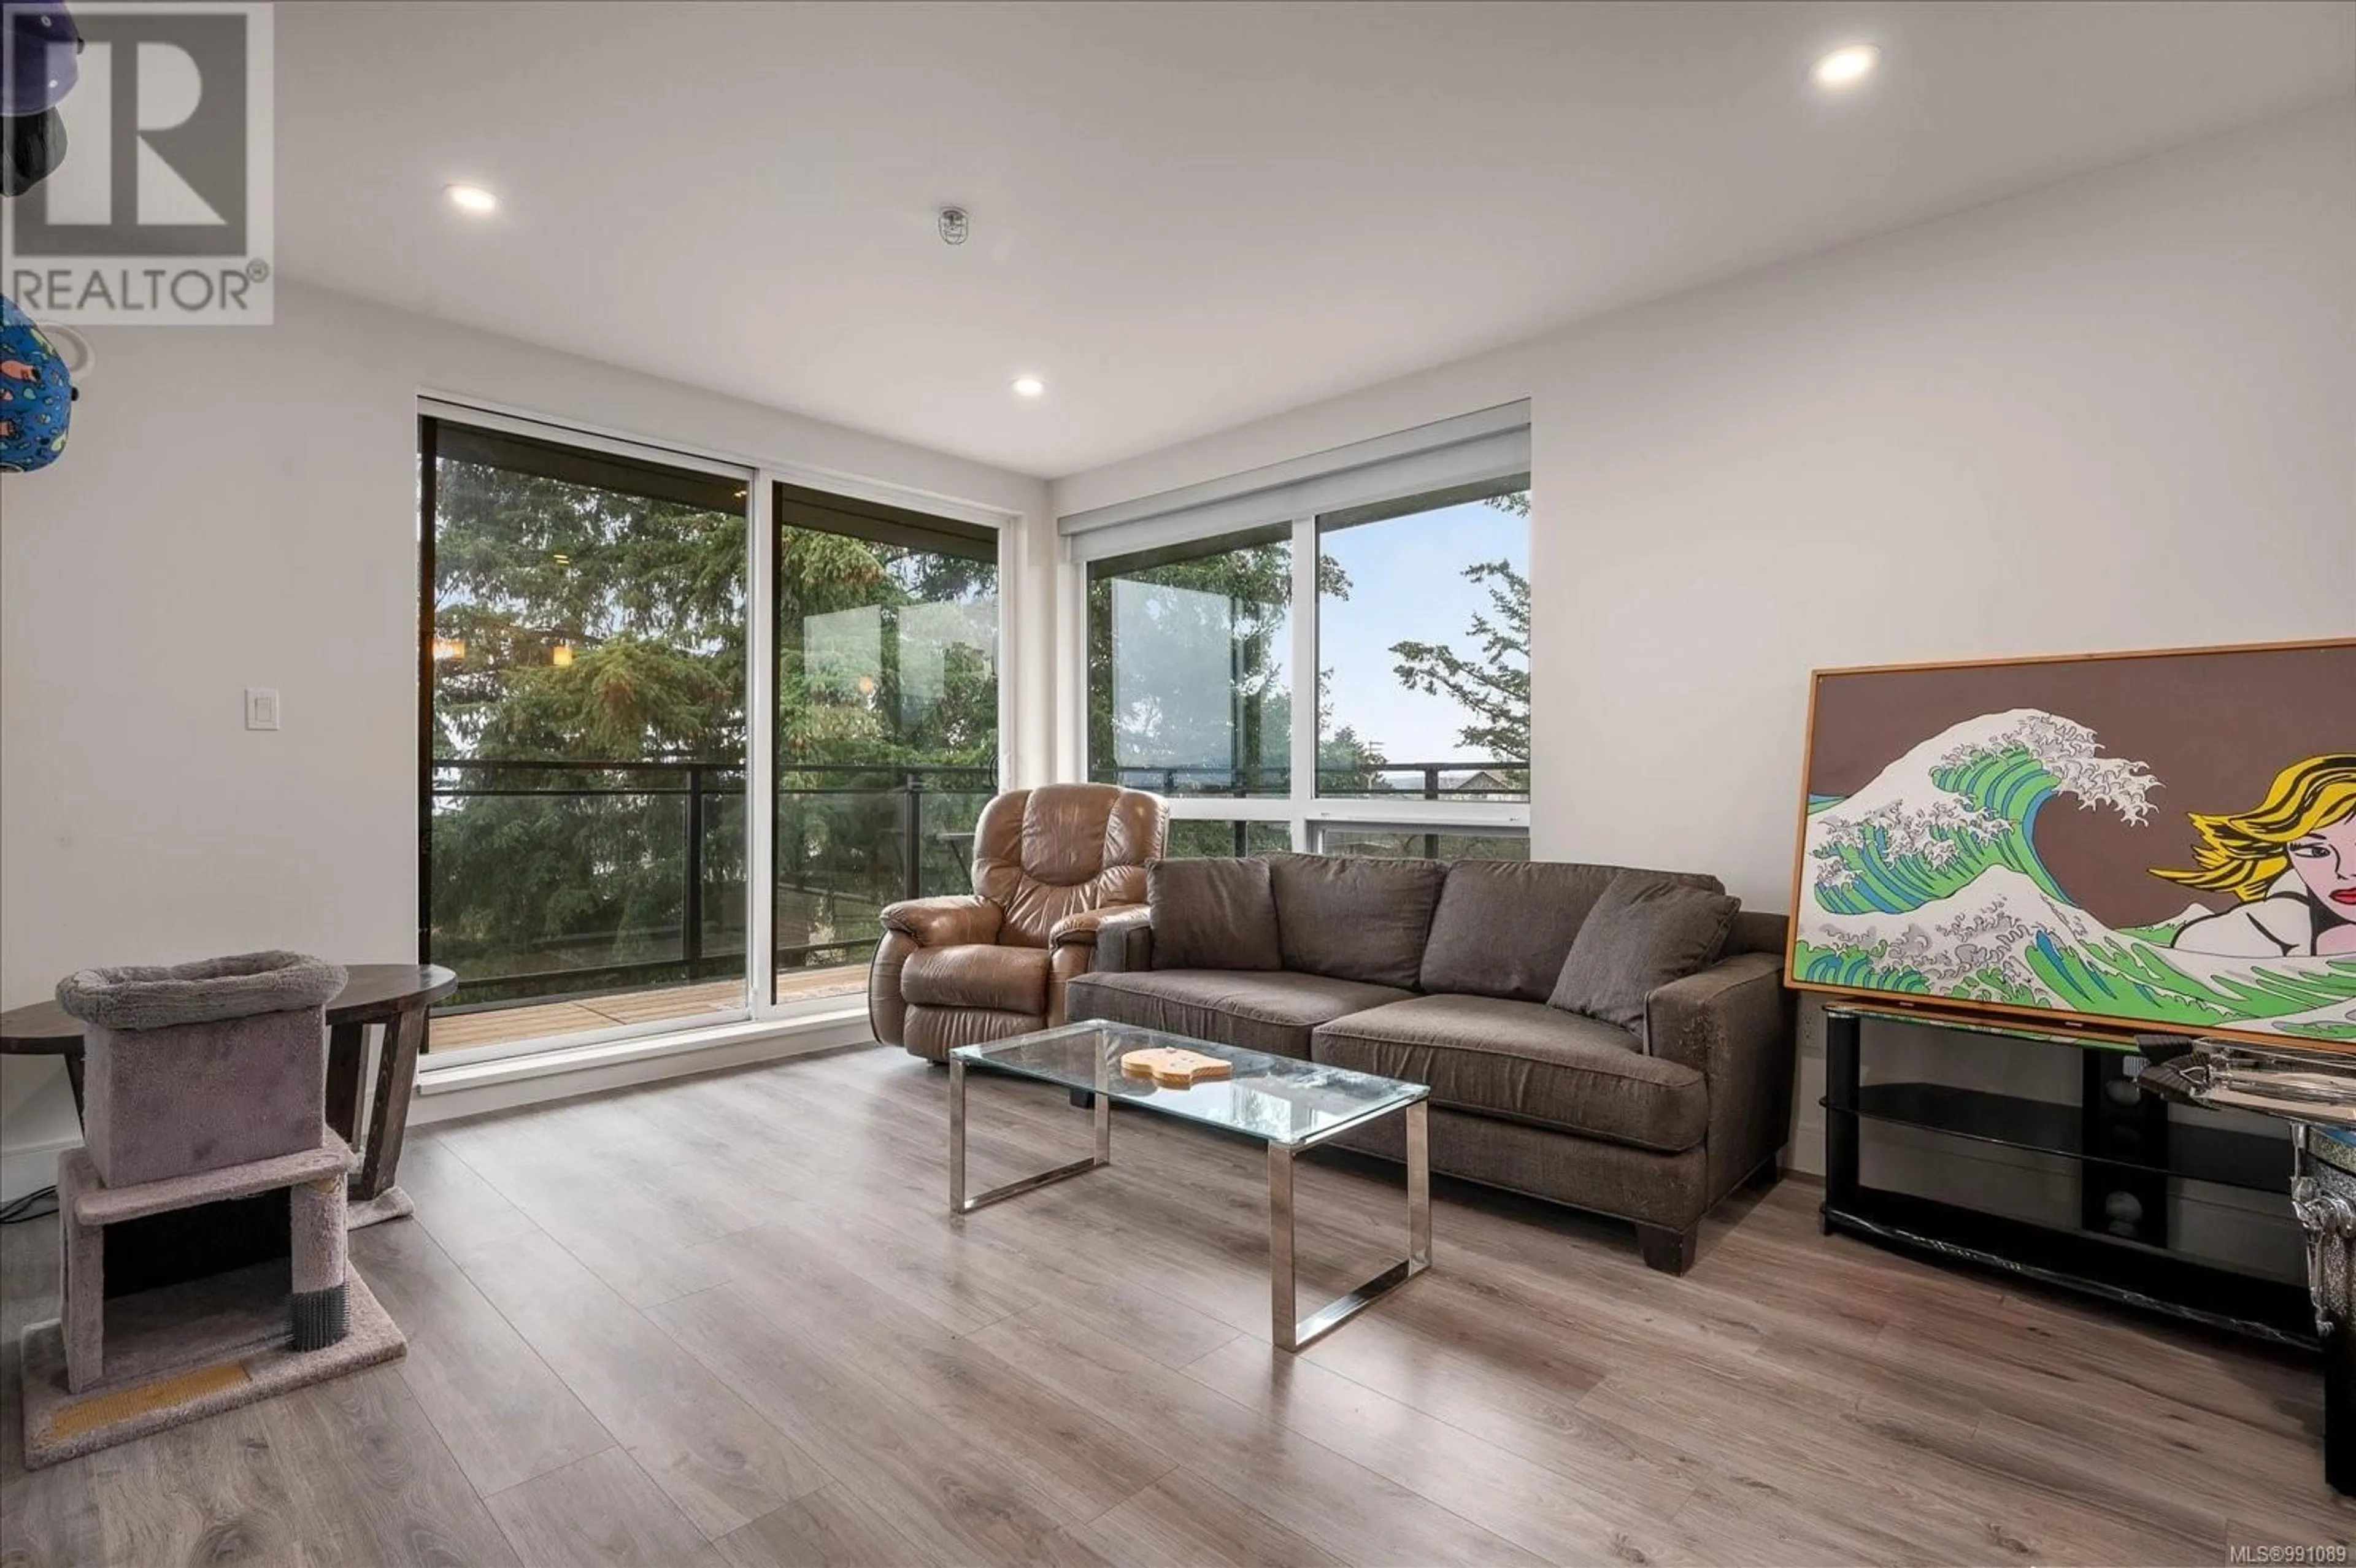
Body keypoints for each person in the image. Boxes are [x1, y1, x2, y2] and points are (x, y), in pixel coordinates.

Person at [2154, 755, 2356, 958]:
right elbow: (2194, 946)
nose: (2347, 872)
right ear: (2289, 855)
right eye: (2317, 852)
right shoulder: (2274, 926)